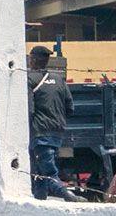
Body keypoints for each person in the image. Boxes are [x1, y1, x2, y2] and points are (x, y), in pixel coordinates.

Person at [27, 46, 81, 202]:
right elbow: (70, 108)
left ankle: (68, 196)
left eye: (30, 58)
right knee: (39, 173)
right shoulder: (59, 79)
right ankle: (39, 203)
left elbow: (30, 110)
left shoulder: (30, 79)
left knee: (48, 171)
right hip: (57, 132)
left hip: (40, 132)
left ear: (34, 60)